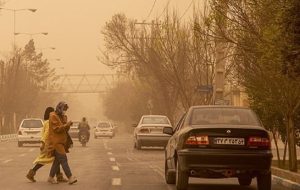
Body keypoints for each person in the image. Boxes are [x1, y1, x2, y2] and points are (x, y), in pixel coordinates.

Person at [26, 107, 68, 183]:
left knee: (56, 159)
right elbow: (46, 133)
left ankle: (59, 176)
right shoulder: (49, 122)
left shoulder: (46, 122)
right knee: (44, 160)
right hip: (49, 144)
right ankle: (31, 173)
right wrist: (43, 143)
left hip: (49, 143)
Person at [47, 102, 77, 185]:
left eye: (65, 110)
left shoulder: (63, 116)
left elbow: (65, 130)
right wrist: (66, 125)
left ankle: (50, 177)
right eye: (63, 109)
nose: (64, 111)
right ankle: (70, 177)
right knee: (63, 159)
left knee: (57, 161)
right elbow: (57, 129)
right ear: (59, 108)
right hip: (56, 142)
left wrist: (68, 125)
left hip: (62, 142)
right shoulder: (53, 116)